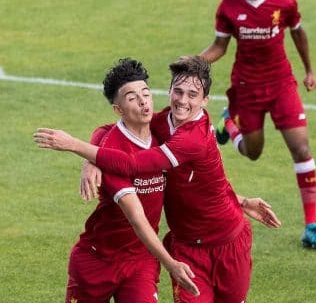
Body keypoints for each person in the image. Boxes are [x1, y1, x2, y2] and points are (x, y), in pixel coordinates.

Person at [35, 56, 281, 303]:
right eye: (178, 91)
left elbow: (134, 164)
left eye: (193, 95)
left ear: (205, 100)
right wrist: (91, 159)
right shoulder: (158, 125)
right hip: (137, 253)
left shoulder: (185, 137)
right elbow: (112, 130)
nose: (183, 101)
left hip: (189, 249)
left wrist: (73, 145)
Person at [35, 58, 199, 302]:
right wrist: (171, 263)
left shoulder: (161, 131)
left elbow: (102, 129)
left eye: (146, 93)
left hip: (141, 259)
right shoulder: (112, 153)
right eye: (132, 98)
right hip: (96, 261)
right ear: (119, 109)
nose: (144, 102)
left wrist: (237, 200)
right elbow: (137, 218)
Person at [199, 0, 316, 249]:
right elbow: (220, 46)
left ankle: (311, 225)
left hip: (282, 84)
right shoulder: (228, 6)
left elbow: (298, 34)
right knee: (252, 152)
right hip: (246, 87)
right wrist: (195, 61)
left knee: (302, 148)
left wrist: (309, 71)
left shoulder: (283, 0)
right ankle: (229, 123)